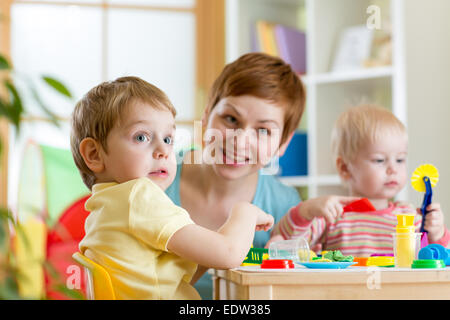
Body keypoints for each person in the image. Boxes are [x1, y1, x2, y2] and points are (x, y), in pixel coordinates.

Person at [70, 76, 274, 299]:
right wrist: (245, 211)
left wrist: (209, 251)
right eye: (141, 137)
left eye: (168, 139)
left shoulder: (105, 207)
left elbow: (168, 282)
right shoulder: (138, 196)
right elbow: (230, 253)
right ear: (94, 154)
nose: (164, 151)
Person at [270, 104, 449, 256]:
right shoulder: (332, 216)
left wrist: (437, 233)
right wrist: (305, 211)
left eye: (400, 159)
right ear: (345, 168)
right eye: (380, 160)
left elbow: (437, 260)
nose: (393, 169)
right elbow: (283, 245)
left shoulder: (410, 217)